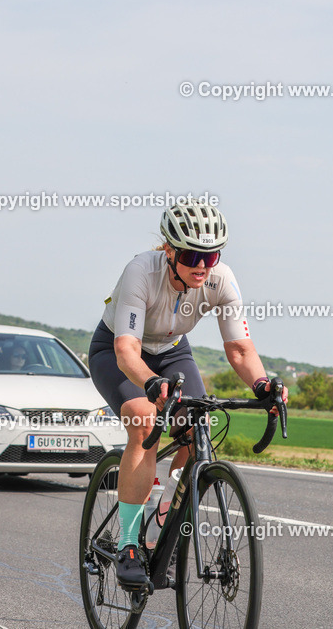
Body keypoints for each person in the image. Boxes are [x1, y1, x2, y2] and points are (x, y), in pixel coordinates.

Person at [87, 202, 287, 589]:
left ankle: (165, 516)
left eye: (211, 256)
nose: (203, 266)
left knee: (200, 427)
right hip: (118, 351)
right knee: (145, 422)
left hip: (173, 351)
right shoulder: (140, 272)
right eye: (193, 255)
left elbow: (240, 350)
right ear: (169, 251)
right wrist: (150, 383)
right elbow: (127, 351)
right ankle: (129, 542)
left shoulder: (220, 280)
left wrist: (263, 385)